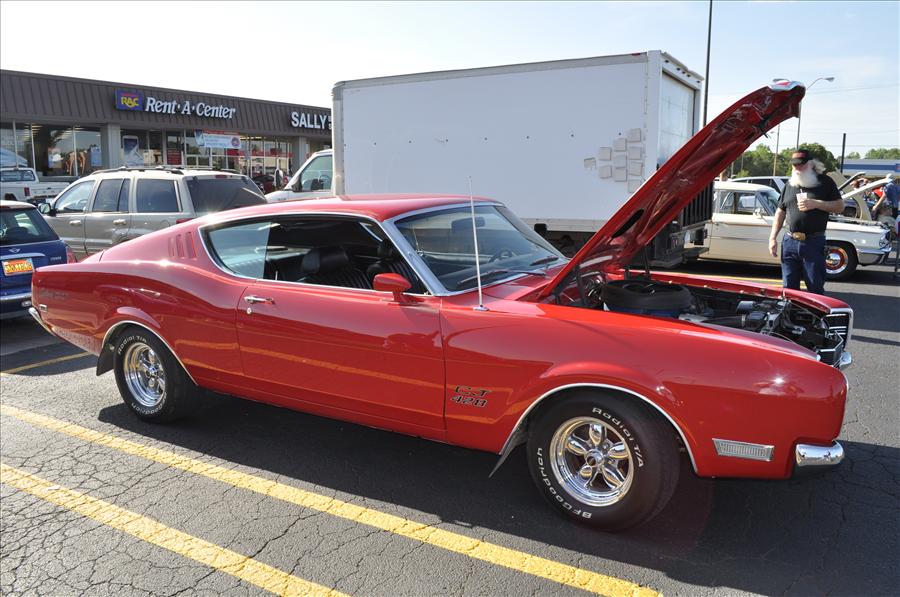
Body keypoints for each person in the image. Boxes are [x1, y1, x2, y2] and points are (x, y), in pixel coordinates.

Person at [768, 150, 843, 295]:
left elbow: (840, 207)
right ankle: (791, 310)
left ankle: (814, 311)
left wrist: (817, 204)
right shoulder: (790, 184)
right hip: (789, 241)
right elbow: (780, 211)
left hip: (813, 242)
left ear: (811, 164)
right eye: (794, 165)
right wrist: (772, 238)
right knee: (788, 289)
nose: (796, 168)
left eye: (800, 164)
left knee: (815, 287)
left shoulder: (825, 182)